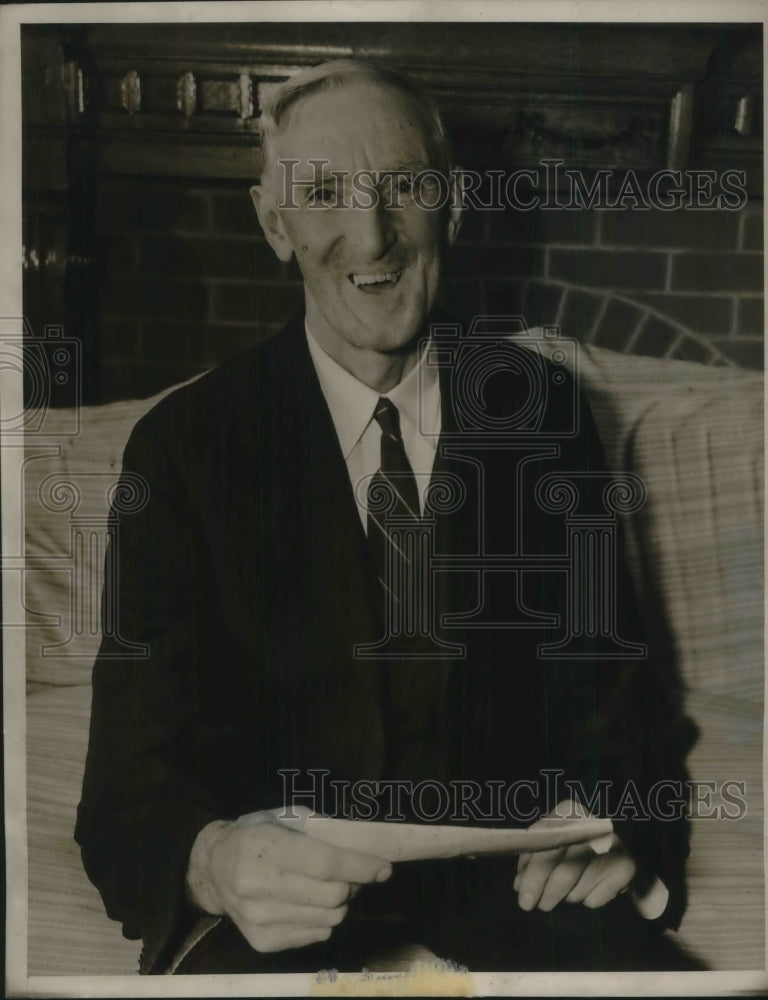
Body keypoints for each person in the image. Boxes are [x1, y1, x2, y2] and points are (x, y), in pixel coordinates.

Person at [75, 58, 701, 975]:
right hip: (283, 924)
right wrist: (211, 864)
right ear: (273, 222)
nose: (370, 237)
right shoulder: (182, 447)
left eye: (403, 188)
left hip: (517, 898)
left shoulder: (544, 412)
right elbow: (128, 783)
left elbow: (617, 697)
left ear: (450, 206)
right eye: (322, 193)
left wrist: (608, 829)